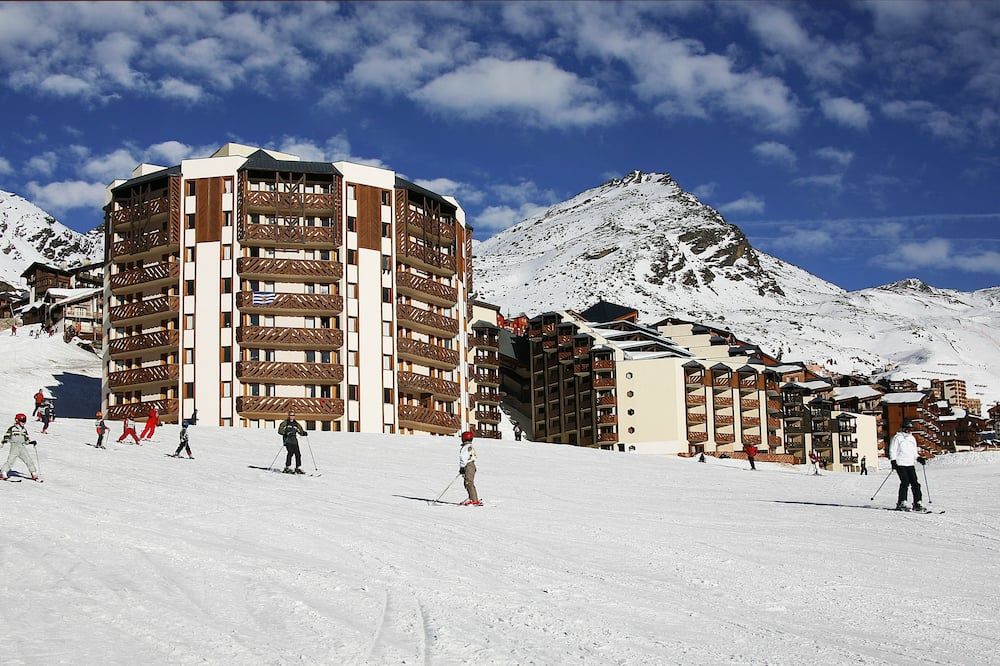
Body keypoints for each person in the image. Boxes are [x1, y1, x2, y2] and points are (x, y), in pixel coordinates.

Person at [889, 419, 926, 511]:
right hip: (900, 463)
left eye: (911, 429)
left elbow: (914, 452)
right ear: (904, 428)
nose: (910, 431)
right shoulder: (897, 438)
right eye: (908, 429)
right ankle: (902, 502)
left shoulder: (912, 438)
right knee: (905, 482)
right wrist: (893, 461)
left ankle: (917, 503)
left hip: (910, 464)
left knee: (916, 484)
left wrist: (919, 458)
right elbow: (892, 450)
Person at [1, 413, 40, 481]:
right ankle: (3, 473)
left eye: (24, 421)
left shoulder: (24, 430)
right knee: (10, 461)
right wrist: (5, 440)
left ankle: (33, 473)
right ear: (17, 420)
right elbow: (7, 436)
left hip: (22, 447)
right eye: (22, 421)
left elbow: (26, 439)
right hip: (14, 446)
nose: (23, 423)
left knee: (28, 460)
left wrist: (30, 442)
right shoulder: (12, 429)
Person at [459, 430, 481, 506]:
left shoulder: (465, 447)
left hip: (468, 465)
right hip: (472, 465)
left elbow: (463, 458)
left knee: (469, 482)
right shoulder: (470, 447)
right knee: (468, 482)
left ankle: (474, 499)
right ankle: (472, 497)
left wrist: (462, 467)